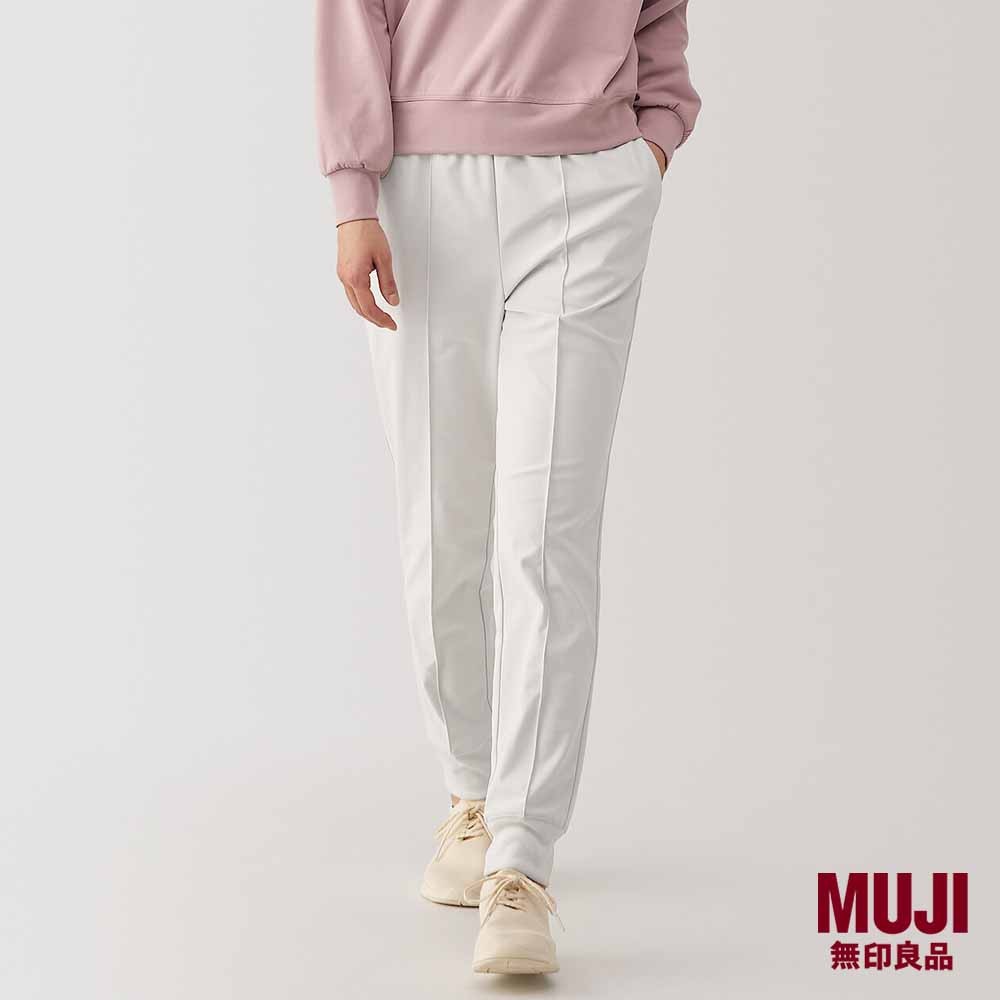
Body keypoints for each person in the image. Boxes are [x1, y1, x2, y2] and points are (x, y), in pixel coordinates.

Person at [316, 0, 700, 975]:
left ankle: (521, 862)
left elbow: (661, 20)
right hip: (421, 186)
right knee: (441, 526)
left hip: (590, 187)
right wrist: (354, 193)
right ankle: (471, 796)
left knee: (546, 534)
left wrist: (652, 139)